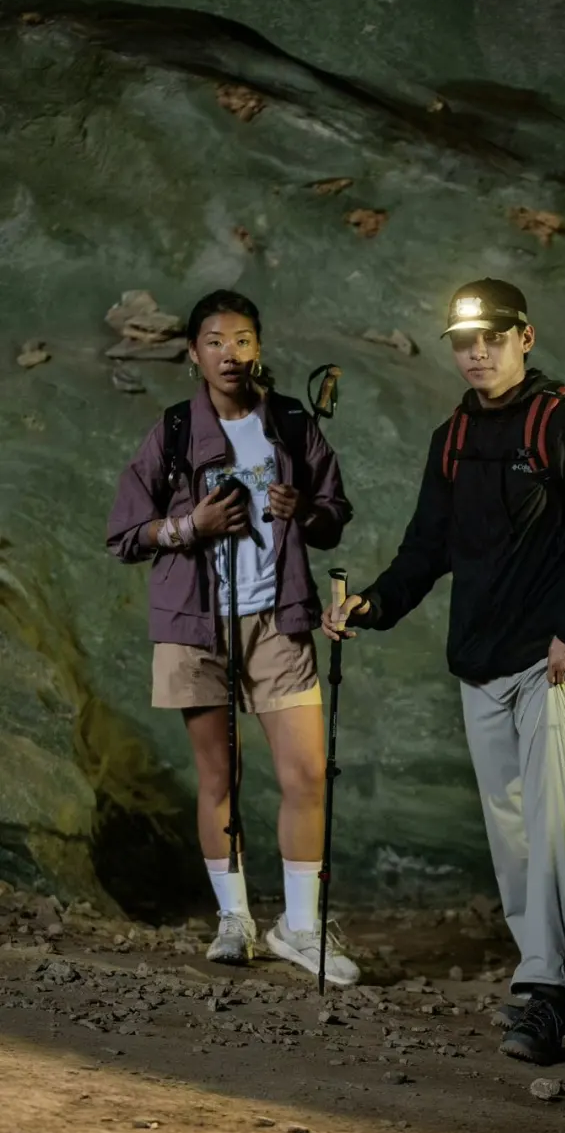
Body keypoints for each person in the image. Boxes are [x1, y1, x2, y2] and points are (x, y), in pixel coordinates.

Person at [323, 278, 565, 1064]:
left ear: (524, 338)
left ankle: (539, 993)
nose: (476, 353)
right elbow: (427, 548)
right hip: (479, 664)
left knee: (551, 823)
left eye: (492, 339)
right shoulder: (454, 438)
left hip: (554, 661)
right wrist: (373, 603)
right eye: (464, 342)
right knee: (513, 838)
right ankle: (564, 983)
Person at [107, 289, 359, 984]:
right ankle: (235, 919)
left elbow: (335, 514)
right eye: (215, 341)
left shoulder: (291, 424)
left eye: (242, 339)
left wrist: (304, 510)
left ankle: (300, 926)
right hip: (196, 623)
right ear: (194, 353)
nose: (230, 353)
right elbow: (125, 534)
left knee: (306, 774)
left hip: (279, 616)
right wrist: (192, 527)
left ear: (258, 349)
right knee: (221, 776)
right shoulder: (173, 432)